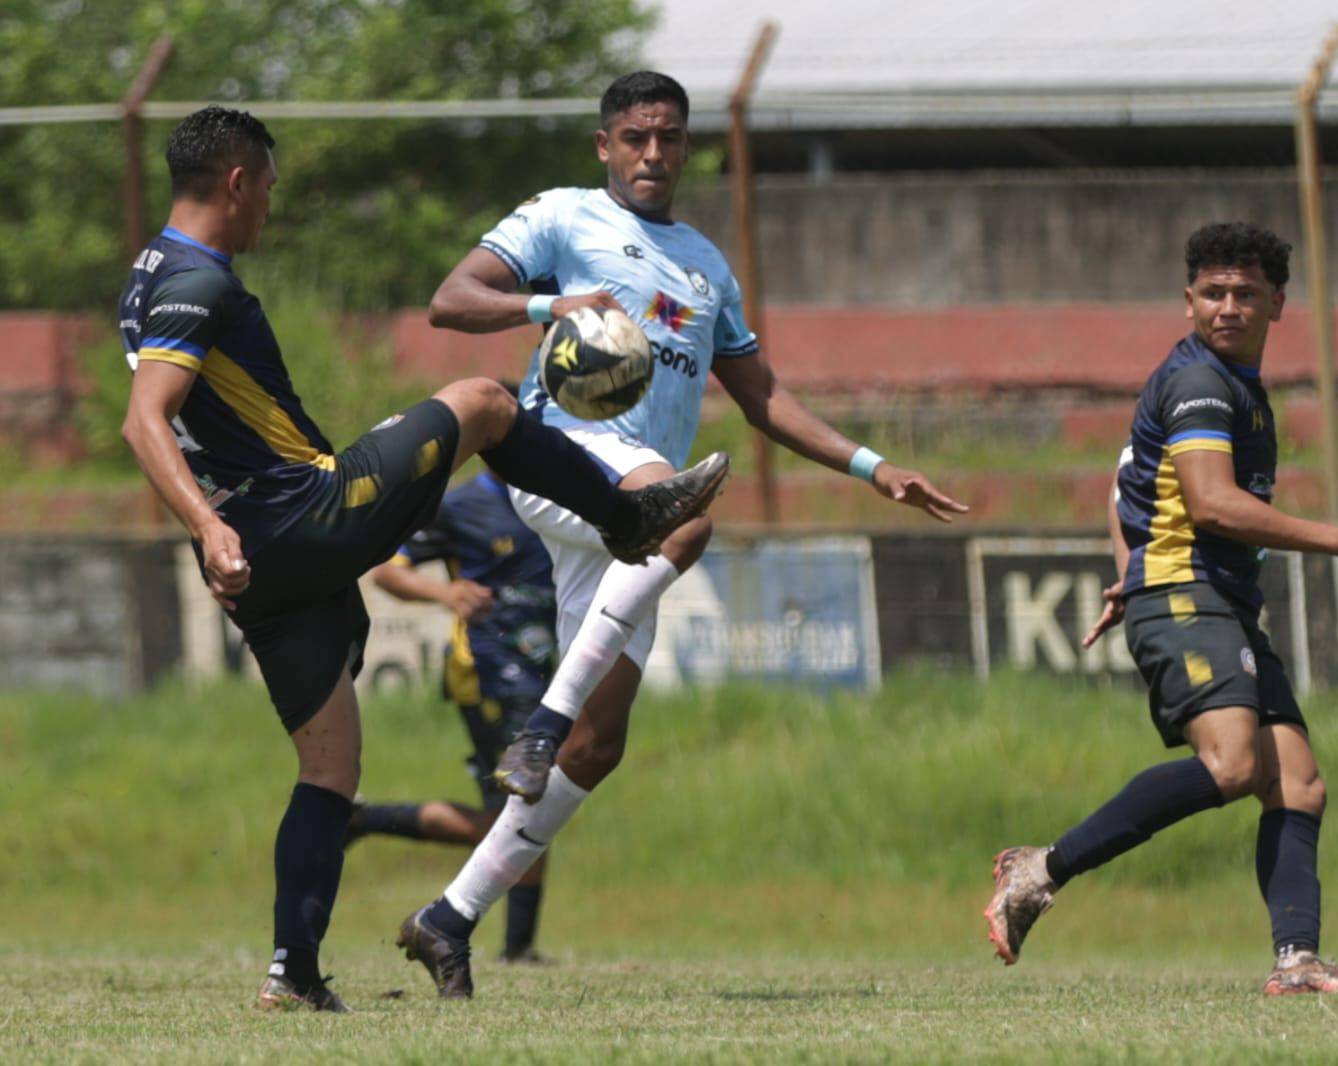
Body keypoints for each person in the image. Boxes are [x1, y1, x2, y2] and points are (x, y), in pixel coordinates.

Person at [119, 106, 729, 1012]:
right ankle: (627, 518)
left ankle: (294, 973)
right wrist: (211, 527)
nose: (270, 210)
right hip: (298, 511)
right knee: (483, 400)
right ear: (239, 181)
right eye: (269, 190)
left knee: (330, 769)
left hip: (266, 566)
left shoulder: (145, 276)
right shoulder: (197, 280)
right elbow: (144, 418)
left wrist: (216, 532)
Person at [396, 71, 968, 998]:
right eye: (634, 137)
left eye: (668, 138)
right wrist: (553, 308)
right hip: (564, 458)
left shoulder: (706, 268)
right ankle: (538, 725)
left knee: (602, 744)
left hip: (627, 508)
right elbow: (451, 298)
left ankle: (449, 918)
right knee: (685, 512)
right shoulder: (562, 217)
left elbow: (763, 397)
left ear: (685, 145)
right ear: (604, 145)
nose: (652, 154)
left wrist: (873, 467)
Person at [983, 222, 1338, 996]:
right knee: (1234, 763)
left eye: (1246, 293)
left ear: (1279, 302)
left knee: (1298, 782)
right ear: (1188, 301)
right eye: (1213, 293)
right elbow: (1210, 503)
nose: (1228, 307)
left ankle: (1298, 960)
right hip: (1189, 594)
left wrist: (1128, 570)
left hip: (1206, 597)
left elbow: (1122, 485)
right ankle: (1038, 870)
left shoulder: (1229, 384)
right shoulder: (1200, 381)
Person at [352, 455, 562, 964]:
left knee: (518, 813)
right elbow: (388, 571)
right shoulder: (460, 504)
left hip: (543, 673)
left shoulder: (556, 498)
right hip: (485, 673)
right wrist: (446, 593)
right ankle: (517, 948)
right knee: (529, 808)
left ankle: (365, 819)